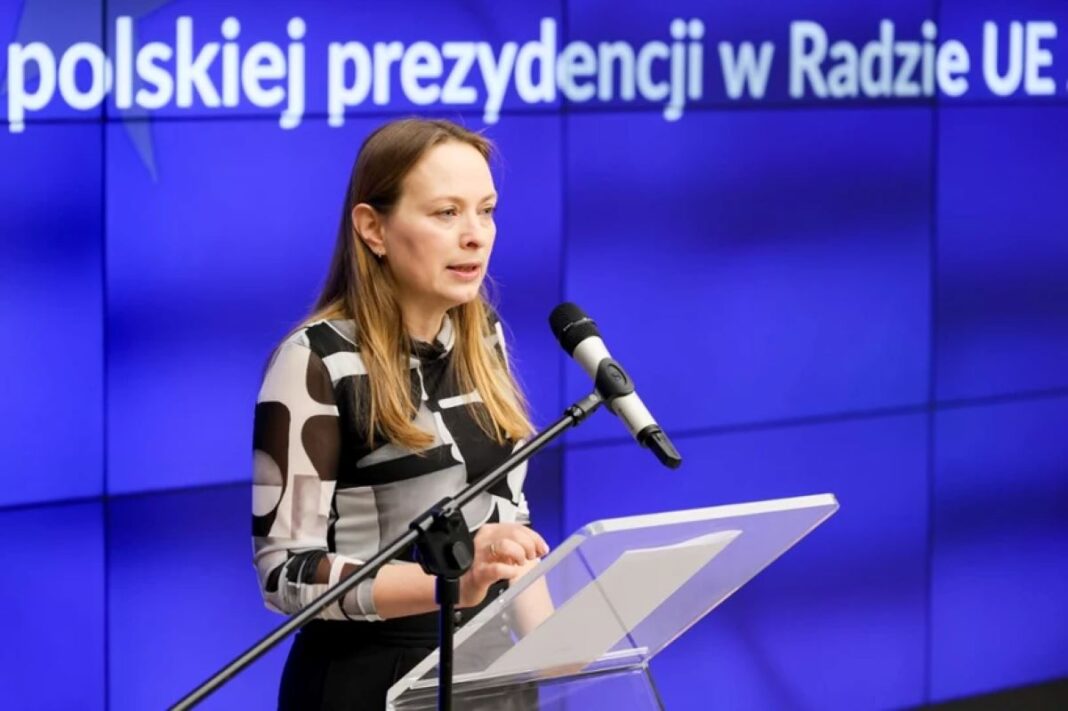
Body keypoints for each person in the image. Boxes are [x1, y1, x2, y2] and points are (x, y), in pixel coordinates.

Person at [251, 117, 550, 710]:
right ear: (373, 228)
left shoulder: (480, 335)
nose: (476, 236)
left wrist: (563, 656)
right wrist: (449, 584)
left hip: (491, 670)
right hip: (369, 678)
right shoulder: (317, 360)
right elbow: (286, 573)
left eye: (486, 211)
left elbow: (509, 522)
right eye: (447, 213)